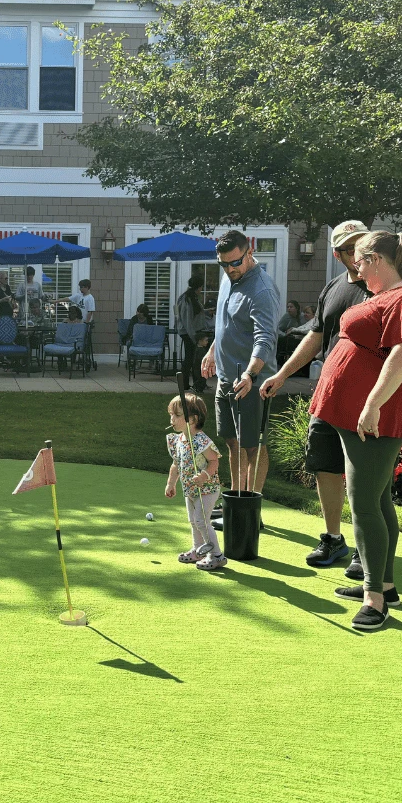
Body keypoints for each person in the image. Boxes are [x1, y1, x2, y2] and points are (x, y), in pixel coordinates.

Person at [308, 231, 402, 631]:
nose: (356, 269)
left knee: (363, 504)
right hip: (352, 410)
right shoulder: (385, 296)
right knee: (377, 500)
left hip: (376, 414)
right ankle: (385, 584)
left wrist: (372, 404)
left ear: (377, 258)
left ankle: (374, 600)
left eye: (360, 261)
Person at [262, 220, 371, 573]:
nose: (358, 252)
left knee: (363, 473)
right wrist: (282, 373)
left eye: (362, 243)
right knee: (325, 464)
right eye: (350, 247)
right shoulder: (334, 288)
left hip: (367, 395)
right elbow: (315, 337)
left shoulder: (384, 288)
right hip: (329, 390)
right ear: (338, 254)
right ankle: (333, 538)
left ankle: (365, 547)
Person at [201, 230, 280, 493]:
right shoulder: (229, 278)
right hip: (226, 377)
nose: (229, 269)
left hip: (251, 382)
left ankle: (251, 507)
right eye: (223, 264)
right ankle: (236, 500)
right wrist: (213, 350)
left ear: (250, 253)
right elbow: (228, 323)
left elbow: (265, 339)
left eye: (235, 262)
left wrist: (250, 374)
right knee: (232, 442)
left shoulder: (262, 290)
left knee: (252, 446)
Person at [164, 392, 226, 570]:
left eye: (176, 415)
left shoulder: (201, 441)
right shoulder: (179, 440)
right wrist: (171, 483)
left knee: (201, 521)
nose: (172, 419)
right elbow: (176, 464)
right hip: (190, 489)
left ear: (192, 419)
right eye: (171, 415)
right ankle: (198, 550)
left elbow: (214, 460)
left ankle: (216, 555)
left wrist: (203, 476)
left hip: (207, 489)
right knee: (193, 521)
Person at [175, 274, 214, 393]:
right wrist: (194, 338)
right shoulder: (187, 299)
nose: (201, 290)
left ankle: (196, 383)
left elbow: (197, 314)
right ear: (198, 287)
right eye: (201, 287)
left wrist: (207, 312)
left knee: (195, 359)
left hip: (194, 332)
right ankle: (184, 384)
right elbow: (187, 320)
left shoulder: (192, 297)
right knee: (190, 359)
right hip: (189, 333)